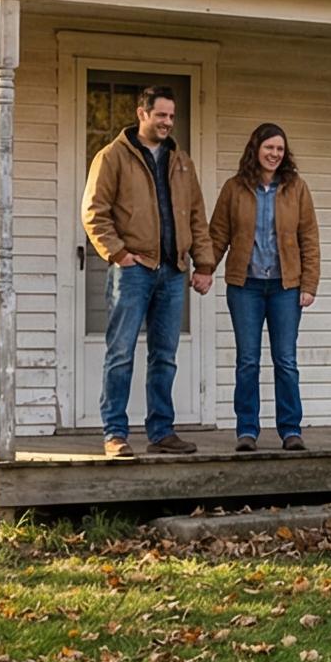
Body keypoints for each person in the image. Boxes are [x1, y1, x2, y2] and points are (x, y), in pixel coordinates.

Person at [81, 86, 213, 457]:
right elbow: (94, 211)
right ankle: (115, 434)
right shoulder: (112, 157)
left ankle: (161, 432)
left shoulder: (182, 162)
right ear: (142, 114)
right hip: (133, 270)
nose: (168, 122)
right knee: (120, 353)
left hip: (172, 272)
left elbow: (197, 216)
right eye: (161, 115)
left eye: (172, 116)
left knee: (165, 356)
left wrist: (203, 263)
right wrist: (118, 253)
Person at [207, 123, 321, 452]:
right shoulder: (234, 188)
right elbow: (218, 235)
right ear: (255, 148)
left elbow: (309, 239)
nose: (274, 154)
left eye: (279, 149)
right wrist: (203, 269)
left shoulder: (296, 188)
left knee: (285, 360)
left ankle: (290, 430)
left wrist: (309, 283)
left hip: (286, 287)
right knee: (247, 361)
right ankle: (247, 430)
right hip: (246, 287)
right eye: (269, 148)